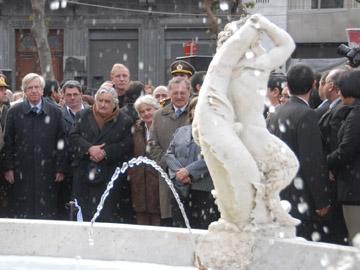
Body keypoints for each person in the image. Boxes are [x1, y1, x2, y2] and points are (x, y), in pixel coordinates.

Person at [193, 14, 299, 229]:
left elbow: (288, 45)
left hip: (250, 133)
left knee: (284, 167)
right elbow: (286, 44)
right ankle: (267, 207)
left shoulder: (252, 66)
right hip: (247, 134)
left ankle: (269, 205)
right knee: (285, 166)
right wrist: (264, 24)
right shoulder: (244, 68)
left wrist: (263, 23)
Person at [268, 64, 331, 240]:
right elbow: (311, 160)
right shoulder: (306, 114)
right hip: (300, 195)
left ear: (287, 85)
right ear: (313, 84)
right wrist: (321, 199)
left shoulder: (276, 112)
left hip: (278, 192)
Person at [2, 73, 66, 219]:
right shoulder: (14, 112)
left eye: (37, 87)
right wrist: (8, 168)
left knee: (47, 211)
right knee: (23, 210)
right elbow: (8, 143)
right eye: (30, 88)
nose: (34, 90)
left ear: (43, 90)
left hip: (48, 171)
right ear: (25, 91)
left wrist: (60, 168)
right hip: (22, 171)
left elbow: (62, 142)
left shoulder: (55, 112)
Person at [70, 85, 134, 223]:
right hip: (84, 172)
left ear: (115, 104)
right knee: (83, 214)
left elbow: (126, 145)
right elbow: (73, 137)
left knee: (106, 214)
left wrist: (105, 152)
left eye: (107, 102)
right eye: (100, 100)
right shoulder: (82, 115)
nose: (103, 104)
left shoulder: (125, 121)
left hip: (109, 174)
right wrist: (89, 148)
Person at [164, 97, 219, 229]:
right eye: (195, 108)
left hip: (203, 188)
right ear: (191, 112)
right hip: (180, 187)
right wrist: (180, 173)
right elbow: (169, 154)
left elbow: (212, 157)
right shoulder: (181, 131)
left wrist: (189, 171)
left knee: (203, 226)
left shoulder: (214, 133)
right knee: (181, 227)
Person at [149, 77, 192, 226]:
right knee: (170, 221)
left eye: (182, 92)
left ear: (189, 93)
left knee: (193, 221)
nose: (179, 96)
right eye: (175, 93)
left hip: (193, 178)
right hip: (167, 177)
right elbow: (153, 145)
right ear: (169, 94)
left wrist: (188, 170)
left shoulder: (196, 114)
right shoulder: (159, 116)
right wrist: (172, 168)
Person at [327, 69, 360, 244]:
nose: (338, 94)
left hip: (354, 190)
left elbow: (346, 150)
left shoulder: (356, 116)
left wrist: (324, 163)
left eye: (340, 89)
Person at [128, 95, 161, 225]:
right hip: (140, 180)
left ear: (156, 109)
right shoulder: (136, 129)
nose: (146, 113)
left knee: (158, 217)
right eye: (142, 111)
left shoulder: (162, 126)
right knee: (141, 217)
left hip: (158, 179)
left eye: (149, 109)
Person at [59, 80, 87, 220]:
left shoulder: (92, 112)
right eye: (68, 95)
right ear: (62, 96)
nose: (72, 98)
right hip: (67, 167)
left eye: (75, 94)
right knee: (67, 205)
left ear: (81, 94)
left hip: (87, 166)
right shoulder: (58, 114)